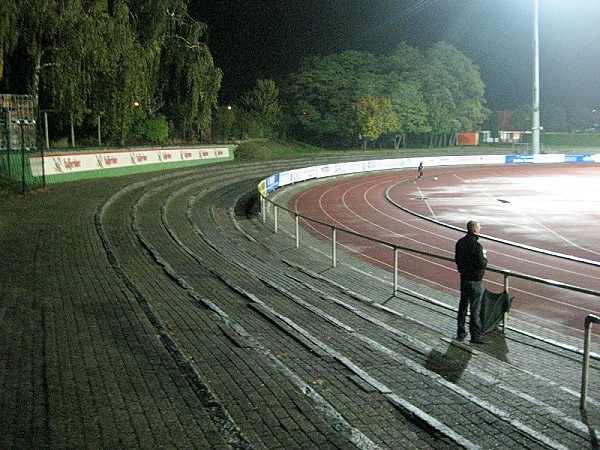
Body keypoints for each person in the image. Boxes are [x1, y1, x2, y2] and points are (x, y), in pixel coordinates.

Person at [455, 220, 488, 344]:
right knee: (475, 308)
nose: (480, 229)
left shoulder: (460, 243)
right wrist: (485, 258)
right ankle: (475, 336)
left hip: (464, 278)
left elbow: (457, 259)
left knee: (463, 305)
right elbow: (481, 263)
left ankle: (461, 331)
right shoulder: (476, 246)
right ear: (475, 230)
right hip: (475, 280)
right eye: (479, 227)